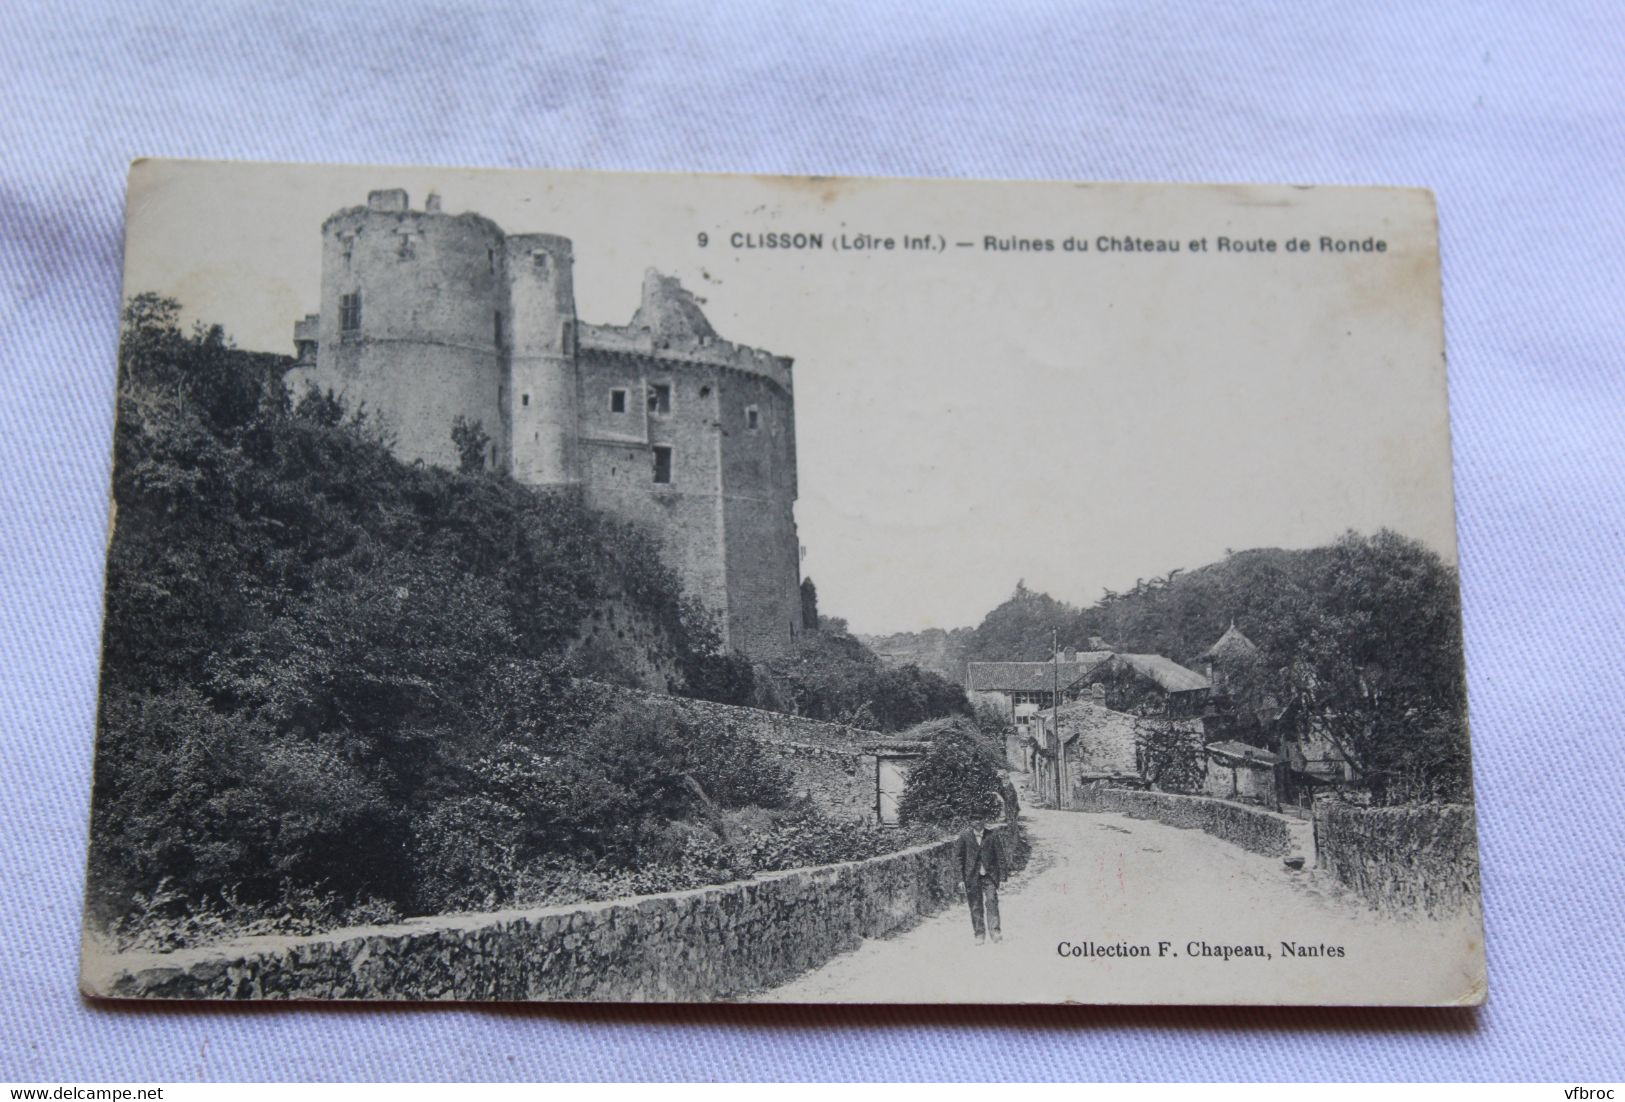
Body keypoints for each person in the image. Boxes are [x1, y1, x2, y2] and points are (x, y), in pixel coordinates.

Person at [956, 813, 1009, 945]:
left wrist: (1002, 878)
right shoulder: (964, 837)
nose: (977, 822)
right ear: (970, 821)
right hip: (972, 877)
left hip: (989, 876)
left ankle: (995, 932)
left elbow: (1000, 857)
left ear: (984, 820)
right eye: (974, 819)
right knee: (975, 905)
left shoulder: (992, 835)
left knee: (992, 901)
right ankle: (979, 934)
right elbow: (958, 858)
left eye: (980, 819)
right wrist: (960, 879)